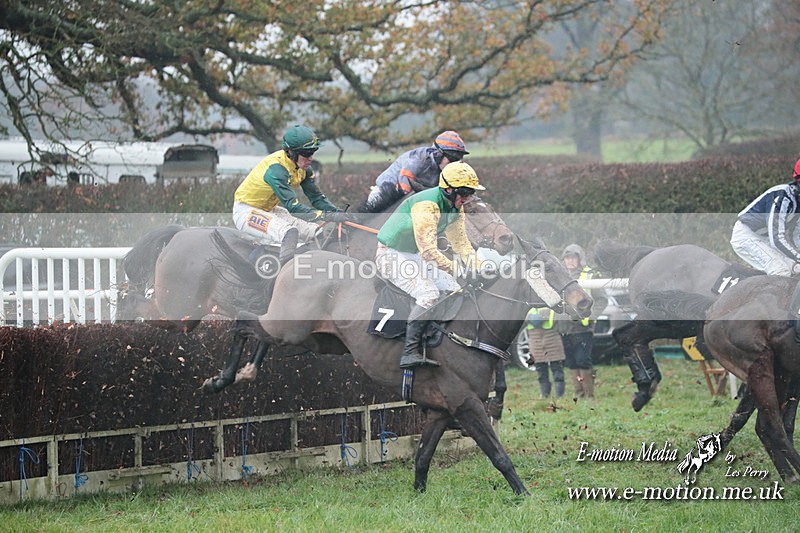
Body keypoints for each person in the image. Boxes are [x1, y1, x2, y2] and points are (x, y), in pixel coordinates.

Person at [376, 161, 483, 369]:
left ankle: (438, 339)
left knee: (454, 289)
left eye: (471, 193)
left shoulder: (455, 208)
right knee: (428, 293)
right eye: (464, 192)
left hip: (413, 254)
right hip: (390, 254)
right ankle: (409, 352)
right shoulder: (427, 205)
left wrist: (480, 267)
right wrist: (460, 270)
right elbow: (430, 252)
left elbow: (462, 244)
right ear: (449, 189)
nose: (467, 198)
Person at [232, 124, 348, 264]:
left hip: (270, 210)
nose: (310, 158)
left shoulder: (304, 169)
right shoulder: (276, 170)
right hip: (246, 211)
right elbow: (293, 207)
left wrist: (337, 212)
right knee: (289, 233)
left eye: (313, 152)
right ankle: (279, 278)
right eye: (306, 154)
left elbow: (316, 198)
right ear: (291, 153)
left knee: (317, 232)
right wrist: (325, 215)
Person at [364, 131, 469, 210]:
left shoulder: (445, 168)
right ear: (438, 154)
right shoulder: (416, 160)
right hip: (388, 195)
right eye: (452, 160)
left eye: (458, 160)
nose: (455, 165)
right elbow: (404, 195)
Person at [731, 158, 800, 276]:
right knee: (781, 271)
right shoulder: (782, 196)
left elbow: (796, 237)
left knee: (796, 268)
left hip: (766, 239)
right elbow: (776, 238)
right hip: (746, 237)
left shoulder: (797, 201)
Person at [556, 244, 606, 400]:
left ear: (580, 259)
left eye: (573, 257)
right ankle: (579, 394)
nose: (570, 261)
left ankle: (590, 396)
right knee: (571, 362)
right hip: (564, 327)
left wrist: (591, 317)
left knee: (583, 361)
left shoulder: (589, 275)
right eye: (567, 257)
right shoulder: (558, 276)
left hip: (582, 328)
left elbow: (602, 300)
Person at [525, 307, 566, 400]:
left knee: (546, 372)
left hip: (545, 342)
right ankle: (555, 396)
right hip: (544, 342)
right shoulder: (553, 310)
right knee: (554, 371)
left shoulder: (529, 311)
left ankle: (548, 395)